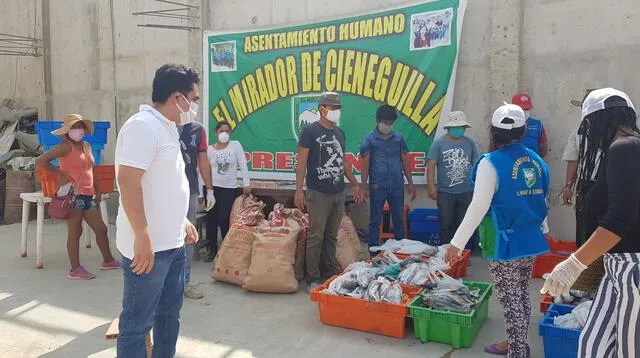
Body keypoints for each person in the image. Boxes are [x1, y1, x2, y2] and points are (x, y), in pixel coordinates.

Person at [445, 104, 550, 358]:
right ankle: (518, 343)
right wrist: (545, 228)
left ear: (493, 132)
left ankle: (517, 351)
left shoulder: (490, 163)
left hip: (503, 241)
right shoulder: (536, 161)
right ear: (524, 131)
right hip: (531, 238)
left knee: (510, 299)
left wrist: (456, 243)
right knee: (522, 293)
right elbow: (541, 198)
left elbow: (479, 206)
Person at [541, 88, 640, 357]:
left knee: (629, 349)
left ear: (598, 121)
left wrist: (574, 264)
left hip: (633, 270)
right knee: (592, 345)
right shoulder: (622, 151)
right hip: (615, 270)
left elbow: (621, 217)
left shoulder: (625, 148)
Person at [115, 64, 199, 357]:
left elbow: (163, 182)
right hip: (149, 249)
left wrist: (182, 219)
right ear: (177, 97)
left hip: (172, 243)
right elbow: (127, 180)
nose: (195, 106)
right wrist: (142, 234)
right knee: (137, 325)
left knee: (168, 317)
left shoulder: (167, 127)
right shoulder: (143, 126)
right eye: (194, 98)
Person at [35, 114, 120, 279]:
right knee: (75, 232)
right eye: (74, 127)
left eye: (80, 127)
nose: (78, 130)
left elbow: (92, 169)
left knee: (101, 229)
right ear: (67, 131)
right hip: (73, 195)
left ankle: (108, 260)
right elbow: (41, 161)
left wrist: (97, 189)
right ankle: (75, 269)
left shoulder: (86, 145)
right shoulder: (64, 147)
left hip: (87, 194)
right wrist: (59, 173)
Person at [294, 91, 362, 292]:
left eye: (338, 108)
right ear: (322, 109)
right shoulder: (310, 132)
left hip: (338, 191)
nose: (336, 111)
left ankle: (328, 272)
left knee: (332, 235)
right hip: (318, 192)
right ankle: (312, 278)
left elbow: (343, 162)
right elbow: (302, 162)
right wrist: (299, 190)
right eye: (333, 108)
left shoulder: (339, 133)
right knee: (316, 236)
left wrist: (355, 184)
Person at [360, 104, 416, 249]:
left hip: (397, 185)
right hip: (377, 186)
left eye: (391, 123)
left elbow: (405, 160)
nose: (388, 126)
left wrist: (410, 183)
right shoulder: (369, 139)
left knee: (398, 219)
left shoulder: (399, 138)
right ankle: (373, 251)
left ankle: (400, 249)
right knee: (375, 220)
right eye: (385, 123)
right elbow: (365, 163)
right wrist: (364, 186)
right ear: (377, 121)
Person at [426, 111, 477, 245]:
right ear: (449, 128)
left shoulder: (470, 143)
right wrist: (431, 187)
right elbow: (431, 165)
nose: (459, 130)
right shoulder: (438, 144)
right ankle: (445, 253)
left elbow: (475, 163)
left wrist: (477, 186)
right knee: (446, 223)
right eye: (456, 127)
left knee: (464, 225)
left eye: (461, 127)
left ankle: (462, 255)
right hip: (445, 192)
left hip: (466, 190)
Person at [204, 121, 251, 262]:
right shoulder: (209, 150)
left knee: (224, 219)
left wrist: (246, 183)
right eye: (221, 131)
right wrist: (205, 191)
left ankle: (225, 250)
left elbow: (243, 164)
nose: (224, 133)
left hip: (229, 189)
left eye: (227, 131)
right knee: (211, 220)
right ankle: (212, 251)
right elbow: (204, 171)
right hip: (212, 189)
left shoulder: (235, 146)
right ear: (215, 133)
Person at [178, 118, 214, 299]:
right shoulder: (161, 124)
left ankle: (184, 282)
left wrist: (210, 189)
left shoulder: (197, 129)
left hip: (189, 190)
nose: (191, 104)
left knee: (188, 236)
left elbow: (203, 160)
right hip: (163, 191)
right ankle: (164, 284)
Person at [510, 93, 548, 157]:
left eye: (527, 109)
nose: (524, 112)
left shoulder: (538, 125)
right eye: (521, 109)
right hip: (510, 162)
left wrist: (534, 161)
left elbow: (543, 148)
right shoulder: (504, 124)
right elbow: (494, 148)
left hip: (530, 163)